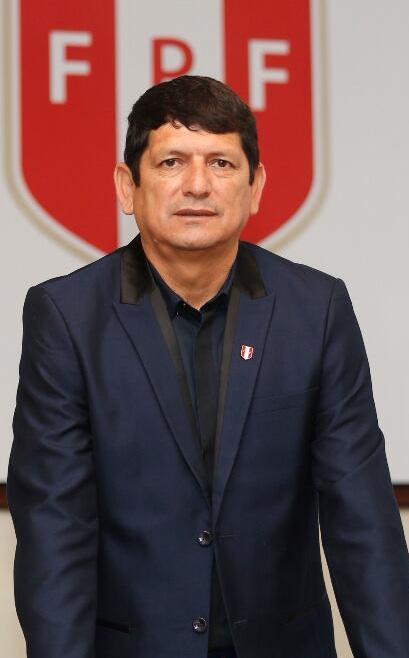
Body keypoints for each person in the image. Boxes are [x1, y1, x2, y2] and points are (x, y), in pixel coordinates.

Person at [7, 75, 409, 658]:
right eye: (171, 162)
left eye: (221, 163)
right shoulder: (67, 317)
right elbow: (54, 528)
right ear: (127, 185)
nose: (197, 185)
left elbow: (362, 517)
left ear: (255, 186)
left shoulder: (316, 309)